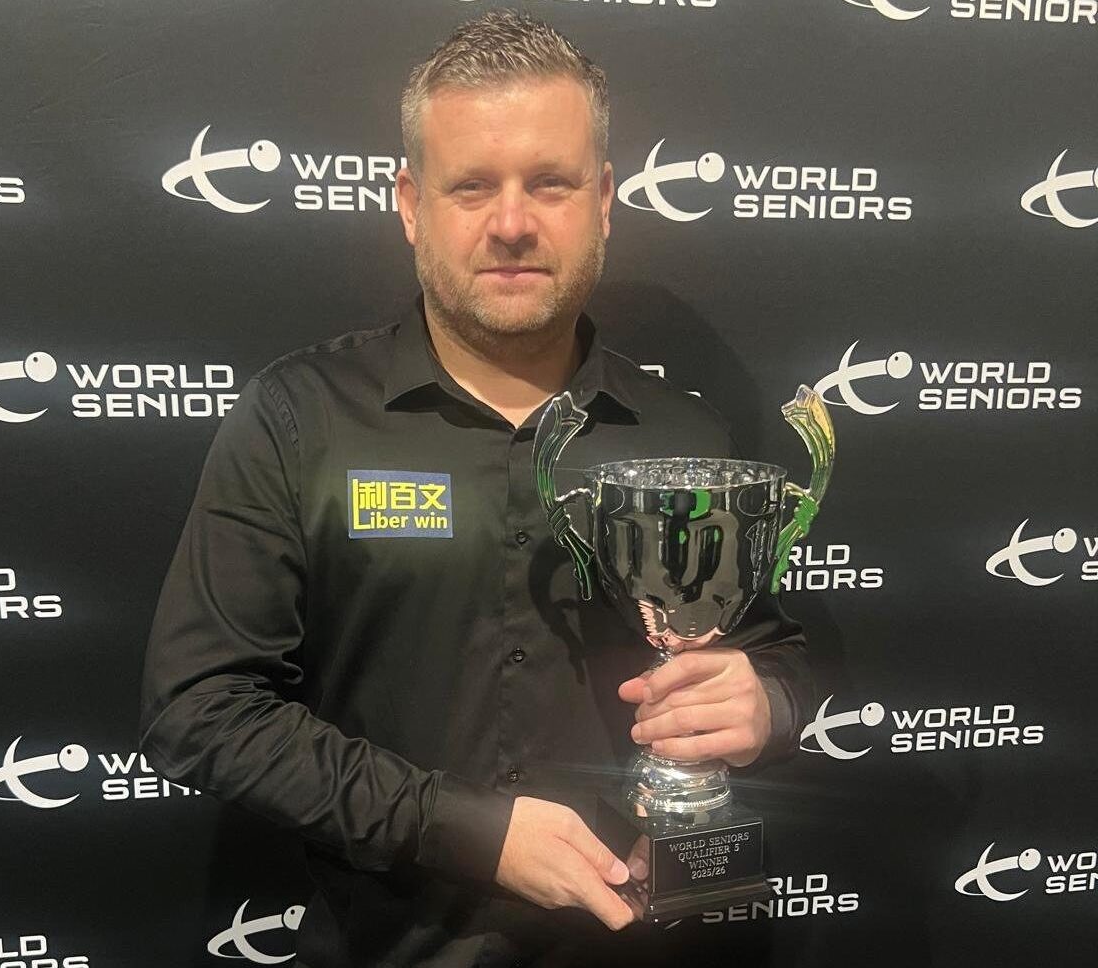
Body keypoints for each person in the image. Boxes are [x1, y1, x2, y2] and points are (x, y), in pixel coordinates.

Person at [139, 10, 813, 967]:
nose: (512, 224)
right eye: (471, 186)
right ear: (411, 204)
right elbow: (201, 709)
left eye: (550, 183)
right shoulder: (302, 417)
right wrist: (468, 830)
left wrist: (764, 707)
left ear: (604, 200)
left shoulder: (686, 437)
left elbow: (771, 653)